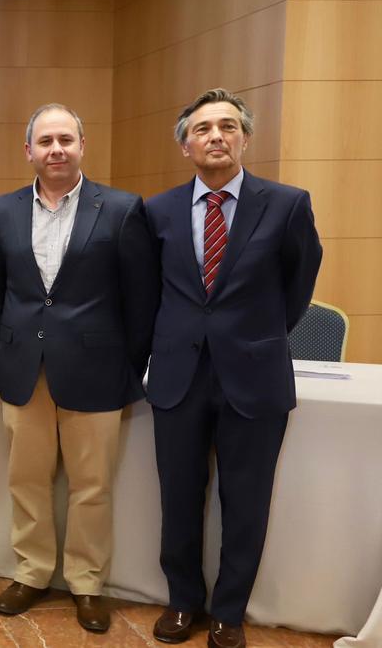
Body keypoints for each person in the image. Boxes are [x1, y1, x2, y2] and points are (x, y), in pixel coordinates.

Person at [145, 88, 322, 648]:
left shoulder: (288, 203)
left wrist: (253, 335)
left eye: (226, 126)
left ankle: (229, 611)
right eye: (202, 129)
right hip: (179, 376)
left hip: (255, 374)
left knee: (246, 500)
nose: (215, 136)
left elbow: (298, 286)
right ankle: (182, 602)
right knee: (178, 495)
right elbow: (151, 292)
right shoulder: (157, 210)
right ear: (185, 145)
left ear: (245, 138)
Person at [0, 104, 159, 632]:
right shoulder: (4, 209)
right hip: (24, 368)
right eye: (45, 141)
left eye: (65, 139)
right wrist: (6, 345)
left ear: (82, 145)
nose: (55, 149)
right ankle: (32, 572)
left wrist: (127, 364)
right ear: (29, 151)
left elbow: (141, 299)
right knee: (27, 481)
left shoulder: (124, 209)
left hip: (98, 370)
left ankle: (86, 583)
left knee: (91, 485)